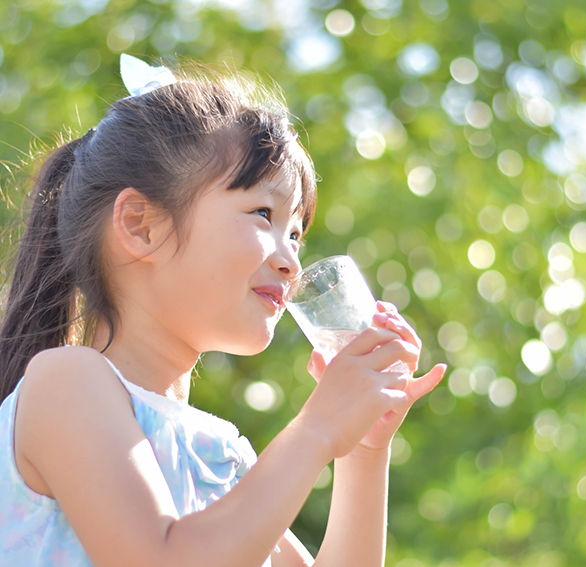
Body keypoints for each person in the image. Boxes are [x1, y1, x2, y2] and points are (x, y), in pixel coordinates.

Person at [0, 55, 446, 567]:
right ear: (141, 226)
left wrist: (364, 452)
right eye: (263, 214)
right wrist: (318, 428)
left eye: (297, 234)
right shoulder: (66, 382)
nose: (291, 262)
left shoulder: (224, 457)